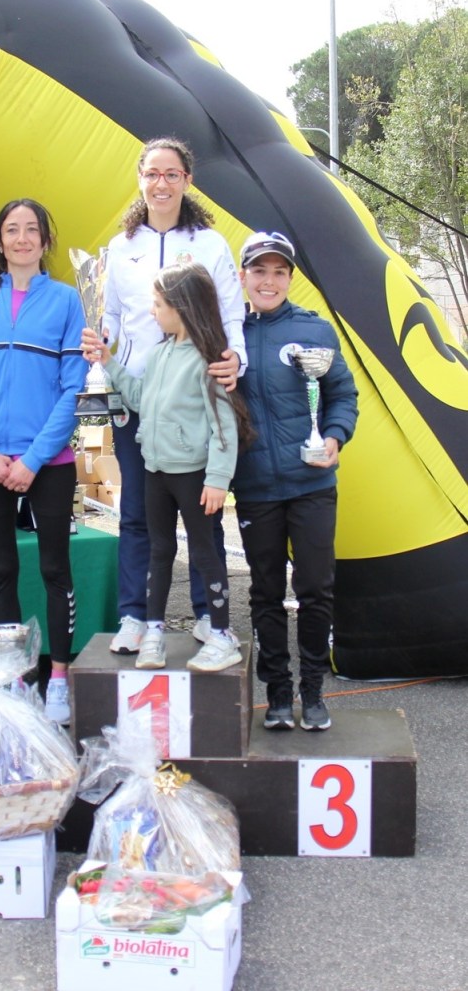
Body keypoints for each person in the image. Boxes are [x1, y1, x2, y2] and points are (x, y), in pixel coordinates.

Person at [102, 136, 248, 655]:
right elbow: (110, 314)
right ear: (139, 179)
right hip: (137, 398)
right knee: (137, 514)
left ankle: (210, 618)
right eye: (152, 174)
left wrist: (235, 359)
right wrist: (103, 349)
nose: (160, 183)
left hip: (192, 397)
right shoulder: (121, 247)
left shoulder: (209, 244)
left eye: (171, 174)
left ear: (187, 181)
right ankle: (135, 617)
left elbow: (231, 312)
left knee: (201, 517)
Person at [0, 198, 88, 726]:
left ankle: (59, 678)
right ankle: (12, 680)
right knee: (2, 569)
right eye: (12, 229)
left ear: (45, 242)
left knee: (55, 569)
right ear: (0, 241)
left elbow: (74, 388)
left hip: (47, 461)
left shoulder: (67, 301)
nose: (23, 238)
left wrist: (32, 458)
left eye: (32, 230)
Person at [84, 262, 254, 672]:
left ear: (182, 306)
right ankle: (154, 631)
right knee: (160, 552)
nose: (152, 311)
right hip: (155, 473)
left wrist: (217, 480)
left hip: (194, 476)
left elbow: (224, 426)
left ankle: (221, 635)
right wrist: (109, 362)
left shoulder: (209, 360)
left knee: (205, 552)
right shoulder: (158, 354)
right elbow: (140, 398)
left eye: (158, 304)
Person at [232, 230, 358, 731]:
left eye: (278, 272)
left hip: (311, 484)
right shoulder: (228, 333)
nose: (269, 280)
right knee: (264, 592)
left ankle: (313, 691)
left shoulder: (315, 330)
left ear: (289, 278)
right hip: (255, 486)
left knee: (315, 590)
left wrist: (334, 436)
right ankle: (278, 694)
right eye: (259, 271)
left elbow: (342, 394)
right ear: (243, 276)